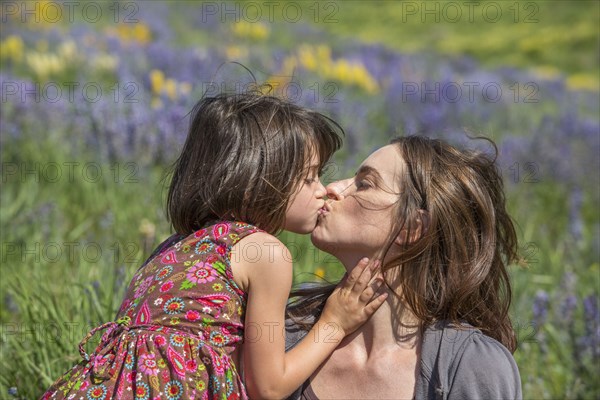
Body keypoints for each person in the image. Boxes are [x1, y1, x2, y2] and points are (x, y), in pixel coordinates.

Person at [41, 93, 388, 400]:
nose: (322, 189)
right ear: (259, 181)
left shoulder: (173, 247)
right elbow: (267, 386)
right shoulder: (263, 252)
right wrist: (334, 323)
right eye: (310, 177)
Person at [286, 135, 523, 400]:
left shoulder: (469, 367)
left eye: (364, 184)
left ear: (412, 227)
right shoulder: (286, 339)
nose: (333, 188)